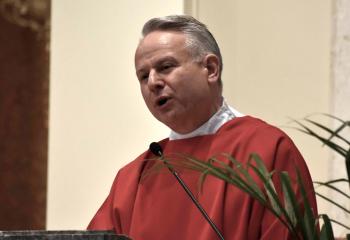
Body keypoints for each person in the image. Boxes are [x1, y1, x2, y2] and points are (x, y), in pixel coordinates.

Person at [87, 15, 317, 240]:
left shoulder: (267, 150)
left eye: (165, 67)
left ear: (211, 68)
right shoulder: (133, 178)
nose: (153, 82)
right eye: (143, 75)